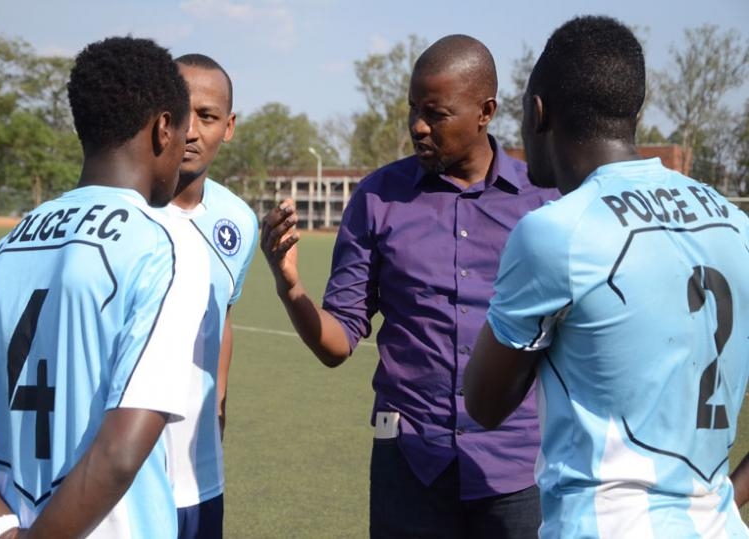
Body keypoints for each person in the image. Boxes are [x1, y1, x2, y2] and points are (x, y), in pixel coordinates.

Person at [261, 34, 558, 538]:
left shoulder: (544, 201)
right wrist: (291, 287)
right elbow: (338, 344)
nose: (418, 127)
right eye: (412, 110)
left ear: (485, 111)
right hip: (410, 461)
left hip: (518, 468)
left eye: (436, 114)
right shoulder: (378, 198)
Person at [464, 15, 749, 538]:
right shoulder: (735, 223)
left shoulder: (556, 233)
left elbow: (483, 404)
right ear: (633, 111)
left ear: (537, 111)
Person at [0, 36, 209, 538]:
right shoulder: (168, 242)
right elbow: (121, 451)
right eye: (185, 132)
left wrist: (2, 532)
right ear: (164, 128)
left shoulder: (11, 242)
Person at [162, 53, 258, 539]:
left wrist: (219, 400)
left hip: (199, 475)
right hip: (119, 476)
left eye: (208, 116)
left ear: (230, 127)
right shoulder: (124, 210)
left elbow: (223, 316)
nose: (191, 131)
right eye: (180, 112)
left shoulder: (239, 221)